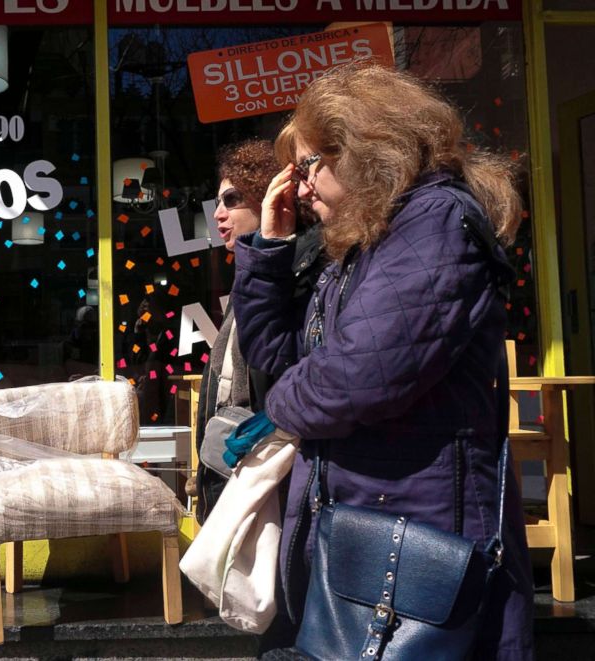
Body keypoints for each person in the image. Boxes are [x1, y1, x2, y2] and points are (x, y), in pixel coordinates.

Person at [228, 64, 532, 659]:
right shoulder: (367, 240)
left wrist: (282, 406)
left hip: (419, 533)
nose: (300, 187)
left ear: (365, 147)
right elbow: (277, 354)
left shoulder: (434, 221)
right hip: (370, 526)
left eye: (309, 164)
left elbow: (356, 378)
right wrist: (268, 249)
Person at [193, 137, 324, 523]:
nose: (218, 213)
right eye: (218, 201)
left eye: (232, 199)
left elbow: (280, 360)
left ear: (271, 194)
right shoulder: (254, 270)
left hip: (275, 465)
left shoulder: (302, 265)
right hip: (244, 455)